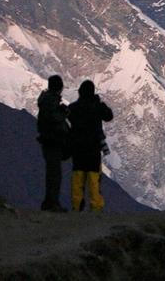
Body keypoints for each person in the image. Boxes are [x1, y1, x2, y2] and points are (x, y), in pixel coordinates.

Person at [67, 80, 114, 212]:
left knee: (78, 178)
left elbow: (67, 118)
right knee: (94, 179)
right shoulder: (97, 107)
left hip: (78, 149)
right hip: (93, 149)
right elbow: (109, 116)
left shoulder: (73, 107)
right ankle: (96, 207)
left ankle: (76, 206)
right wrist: (99, 103)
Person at [36, 74, 70, 212]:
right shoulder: (51, 102)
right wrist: (64, 113)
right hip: (53, 141)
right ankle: (52, 203)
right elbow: (54, 119)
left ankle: (50, 202)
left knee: (52, 173)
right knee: (54, 174)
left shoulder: (46, 100)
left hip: (49, 141)